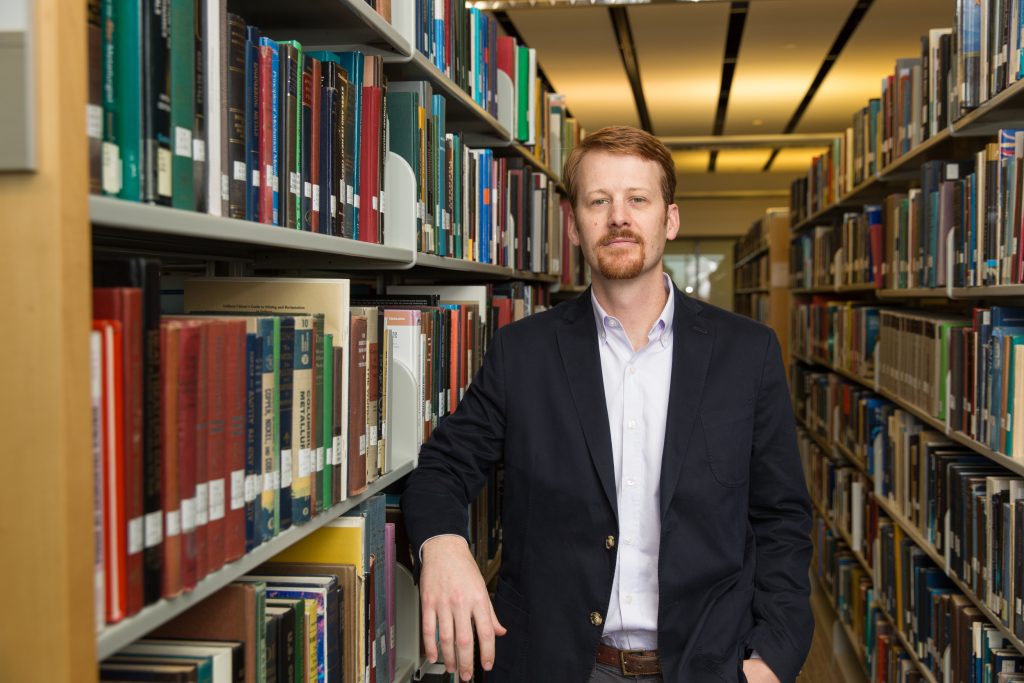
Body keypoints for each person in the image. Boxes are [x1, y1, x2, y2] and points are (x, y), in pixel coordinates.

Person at [401, 125, 813, 683]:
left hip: (709, 667)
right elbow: (442, 469)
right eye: (600, 201)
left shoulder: (749, 352)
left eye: (637, 199)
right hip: (556, 665)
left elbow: (781, 518)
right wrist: (443, 545)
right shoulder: (524, 353)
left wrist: (771, 659)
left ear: (669, 219)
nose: (619, 217)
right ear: (574, 225)